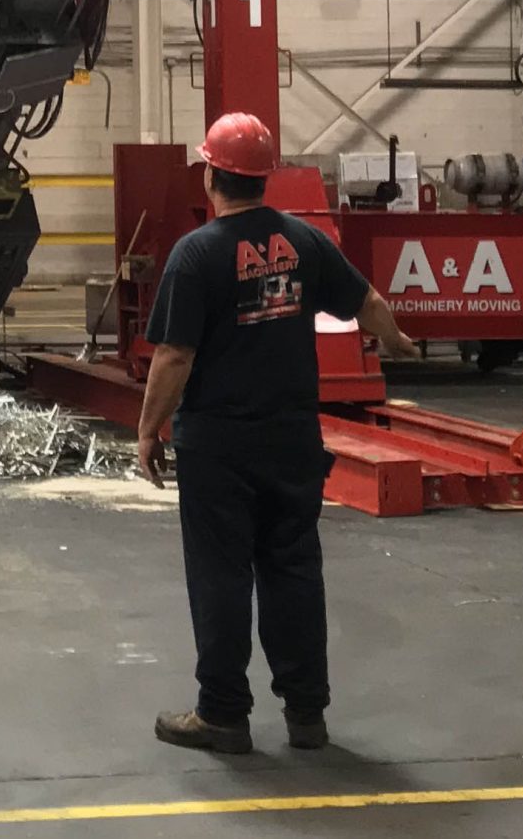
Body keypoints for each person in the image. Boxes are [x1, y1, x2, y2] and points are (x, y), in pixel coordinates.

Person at [136, 111, 418, 757]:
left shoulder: (196, 254)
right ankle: (307, 715)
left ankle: (224, 716)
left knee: (221, 576)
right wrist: (395, 338)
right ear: (264, 177)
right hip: (292, 440)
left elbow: (174, 356)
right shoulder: (305, 242)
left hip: (220, 447)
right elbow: (367, 301)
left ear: (211, 175)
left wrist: (149, 429)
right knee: (293, 570)